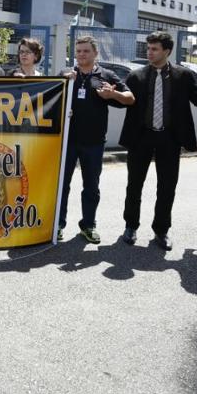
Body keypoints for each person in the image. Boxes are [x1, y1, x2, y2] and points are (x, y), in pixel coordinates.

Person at [118, 31, 197, 250]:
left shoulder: (183, 75)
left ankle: (161, 230)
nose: (149, 53)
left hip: (170, 137)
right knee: (134, 185)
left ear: (167, 51)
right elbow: (124, 101)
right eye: (148, 49)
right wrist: (109, 95)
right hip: (141, 137)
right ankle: (130, 226)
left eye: (154, 49)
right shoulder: (136, 76)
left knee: (167, 186)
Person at [57, 36, 135, 243]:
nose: (81, 54)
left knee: (91, 186)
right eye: (78, 51)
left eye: (86, 51)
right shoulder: (66, 74)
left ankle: (88, 225)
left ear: (95, 54)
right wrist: (65, 83)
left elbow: (130, 98)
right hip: (67, 142)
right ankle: (58, 224)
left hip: (94, 142)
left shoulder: (106, 75)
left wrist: (112, 95)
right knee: (62, 185)